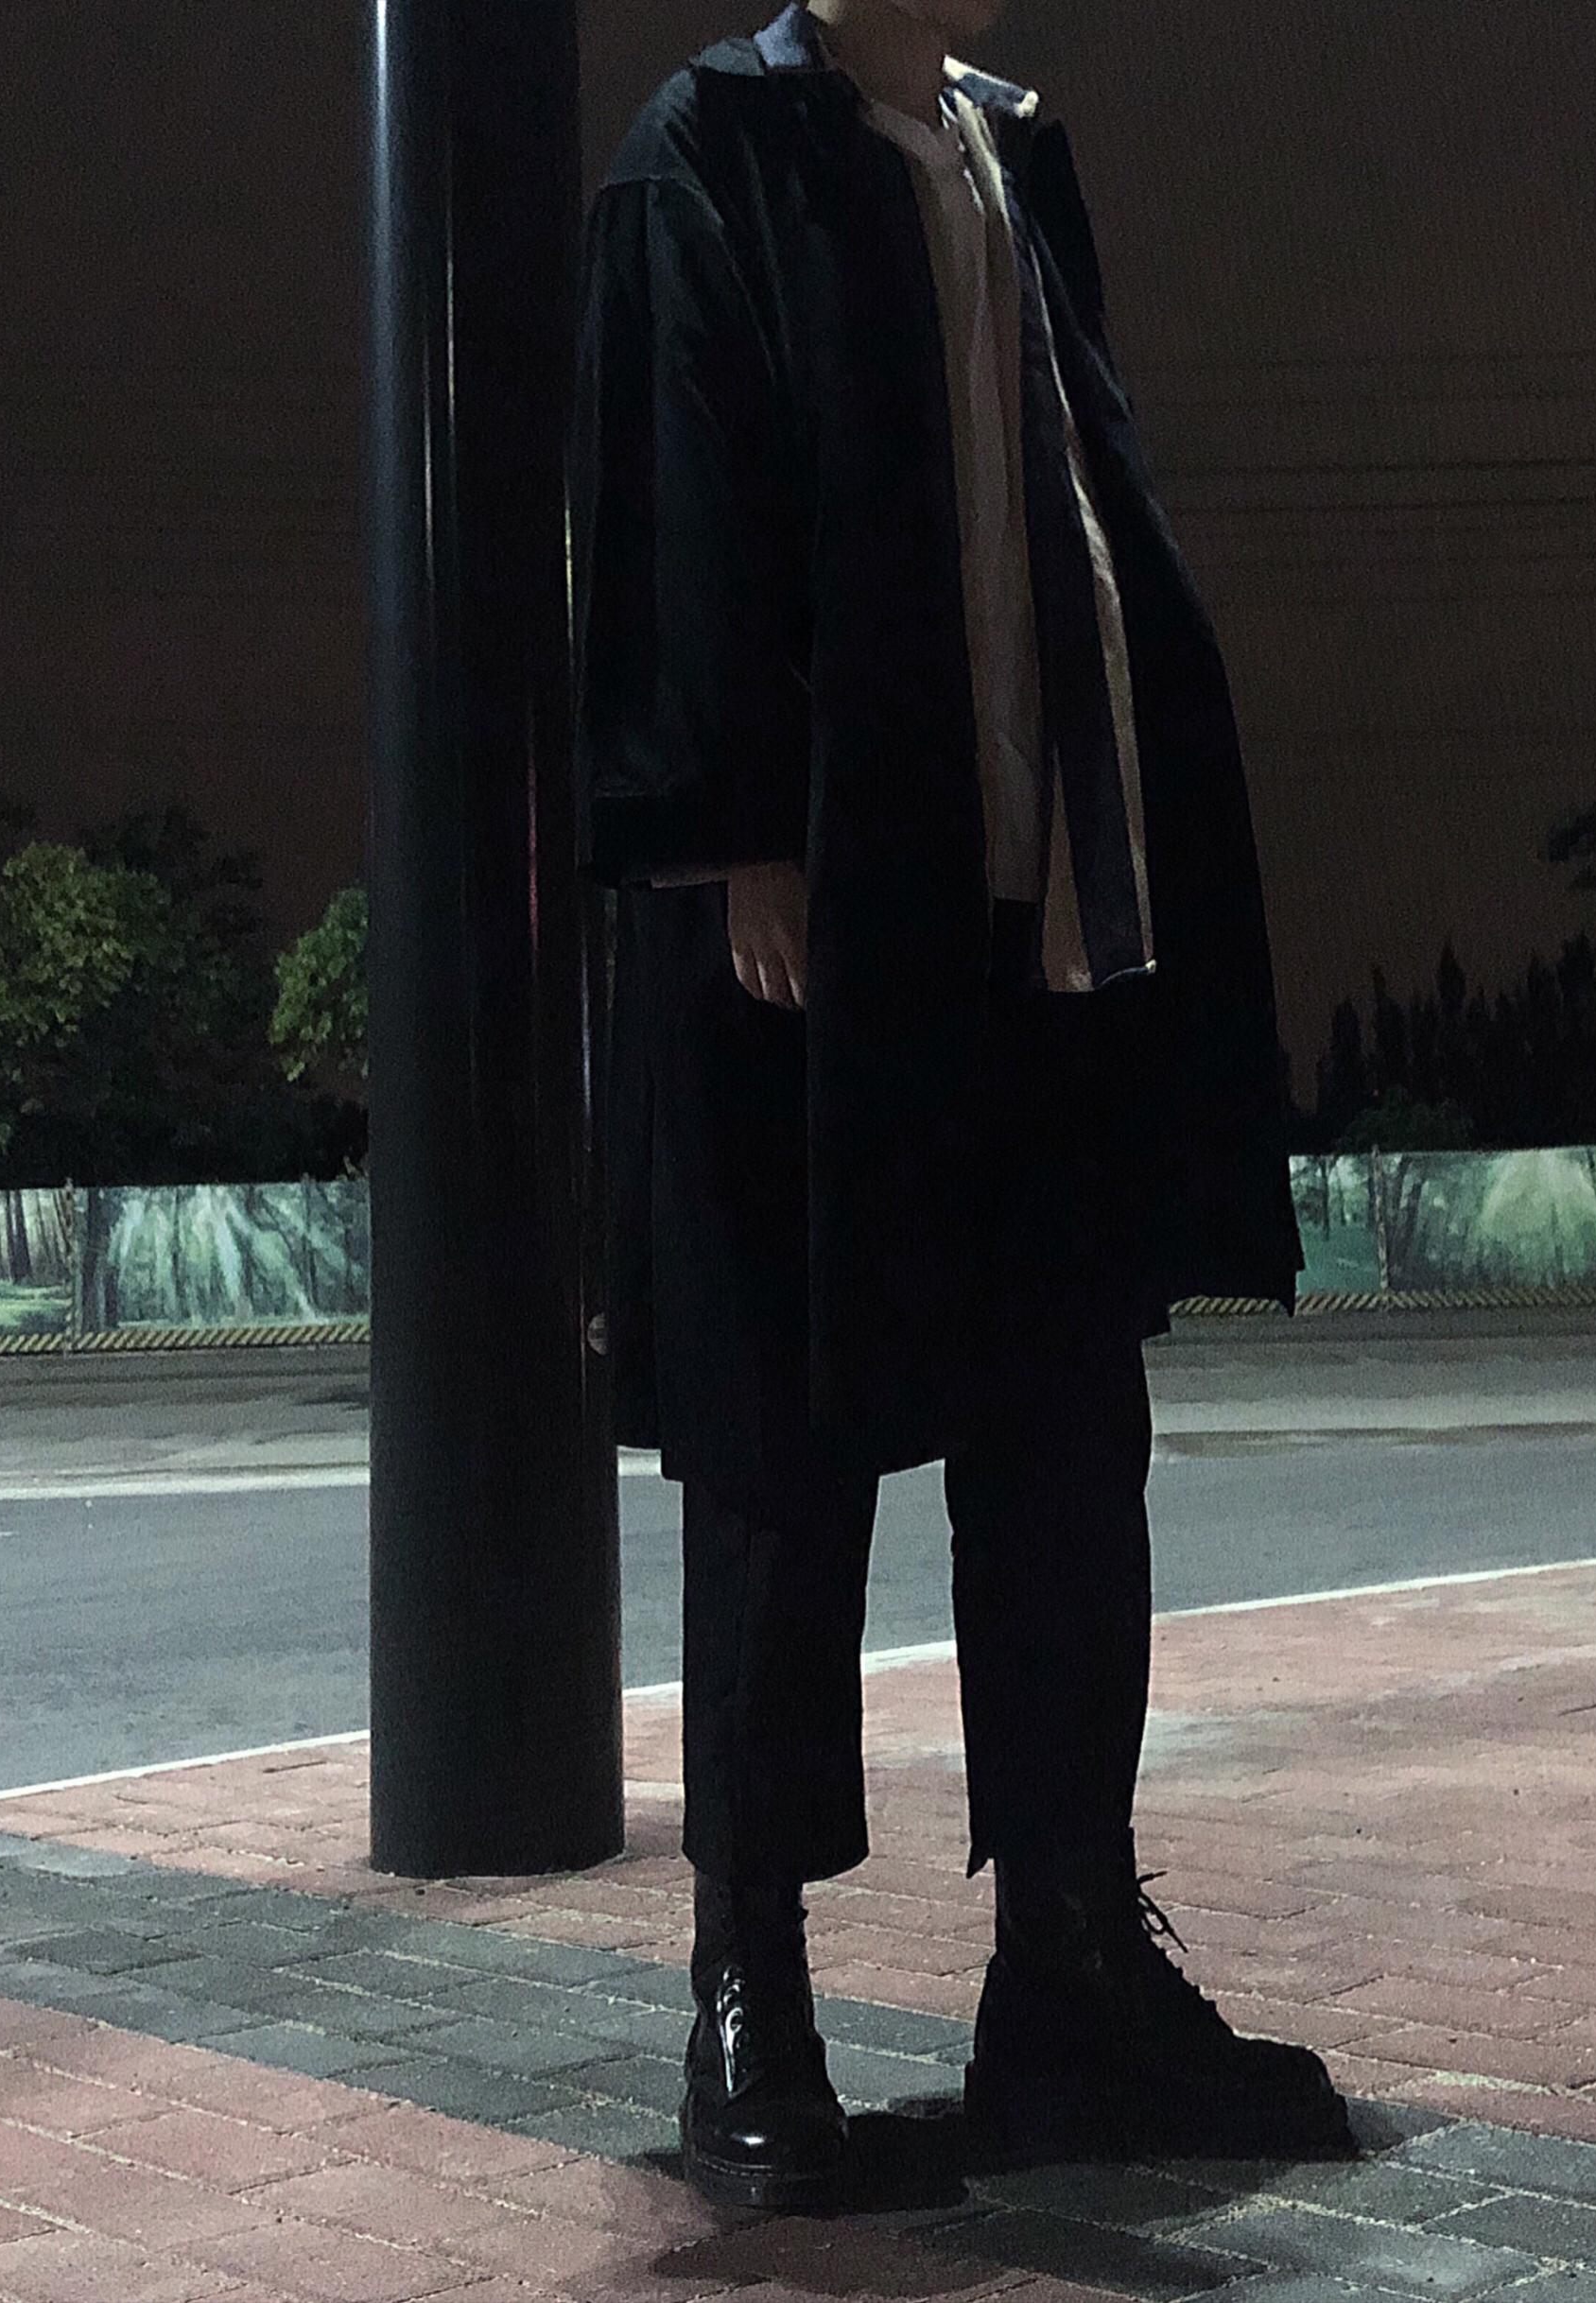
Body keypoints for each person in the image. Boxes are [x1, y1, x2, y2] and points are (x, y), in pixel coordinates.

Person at [570, 0, 1347, 2209]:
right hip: (810, 913)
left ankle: (1068, 1974)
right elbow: (668, 489)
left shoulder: (1010, 152)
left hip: (1041, 916)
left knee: (1067, 1434)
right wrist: (739, 833)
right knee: (782, 1451)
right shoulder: (712, 150)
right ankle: (750, 2002)